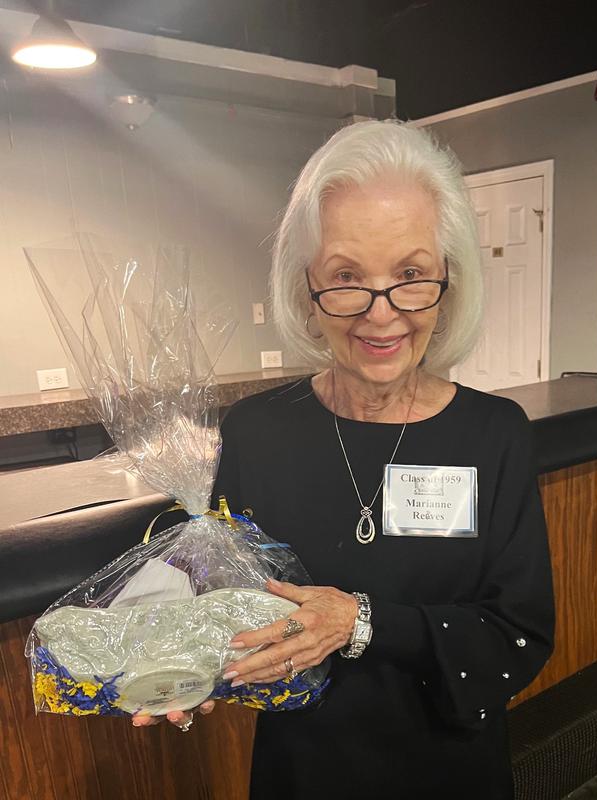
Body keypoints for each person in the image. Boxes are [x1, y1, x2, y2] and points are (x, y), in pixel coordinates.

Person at [133, 120, 554, 800]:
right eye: (347, 277)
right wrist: (188, 665)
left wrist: (360, 622)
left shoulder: (493, 434)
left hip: (451, 774)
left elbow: (517, 638)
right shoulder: (256, 431)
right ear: (306, 286)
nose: (380, 314)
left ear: (448, 279)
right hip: (302, 774)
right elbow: (228, 604)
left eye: (410, 275)